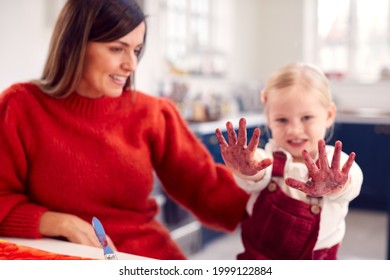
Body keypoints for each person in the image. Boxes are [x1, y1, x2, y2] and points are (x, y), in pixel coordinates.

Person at [0, 0, 249, 260]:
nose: (131, 64)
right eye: (117, 49)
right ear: (75, 45)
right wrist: (59, 223)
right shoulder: (20, 107)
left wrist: (273, 190)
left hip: (147, 258)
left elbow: (206, 188)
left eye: (136, 50)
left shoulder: (153, 113)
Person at [215, 62, 363, 260]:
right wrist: (247, 169)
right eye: (282, 120)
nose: (294, 130)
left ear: (328, 115)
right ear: (268, 118)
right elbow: (260, 168)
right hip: (260, 258)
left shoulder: (333, 163)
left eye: (306, 118)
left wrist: (337, 185)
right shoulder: (269, 156)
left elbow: (353, 178)